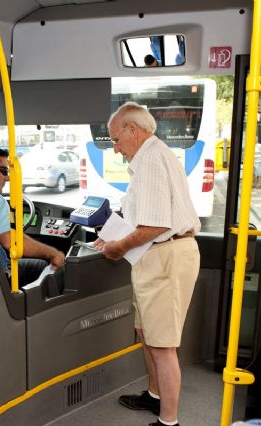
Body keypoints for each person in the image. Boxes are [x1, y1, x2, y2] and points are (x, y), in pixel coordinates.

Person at [93, 102, 200, 426]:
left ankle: (169, 422)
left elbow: (154, 226)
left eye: (115, 139)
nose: (115, 148)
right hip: (155, 256)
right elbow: (144, 217)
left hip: (165, 257)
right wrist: (111, 236)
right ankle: (155, 397)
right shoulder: (150, 158)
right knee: (146, 332)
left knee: (162, 345)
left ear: (132, 129)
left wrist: (118, 247)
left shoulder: (151, 160)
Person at [0, 146, 65, 285]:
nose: (8, 178)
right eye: (4, 171)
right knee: (44, 266)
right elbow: (10, 241)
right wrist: (52, 253)